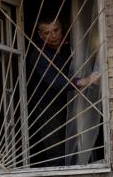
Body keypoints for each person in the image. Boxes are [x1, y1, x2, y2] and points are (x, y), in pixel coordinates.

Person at [26, 16, 100, 167]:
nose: (53, 36)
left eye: (56, 30)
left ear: (62, 29)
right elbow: (55, 81)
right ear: (40, 35)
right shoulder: (38, 55)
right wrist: (83, 81)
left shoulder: (70, 47)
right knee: (56, 149)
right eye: (47, 33)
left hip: (72, 102)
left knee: (81, 140)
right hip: (48, 107)